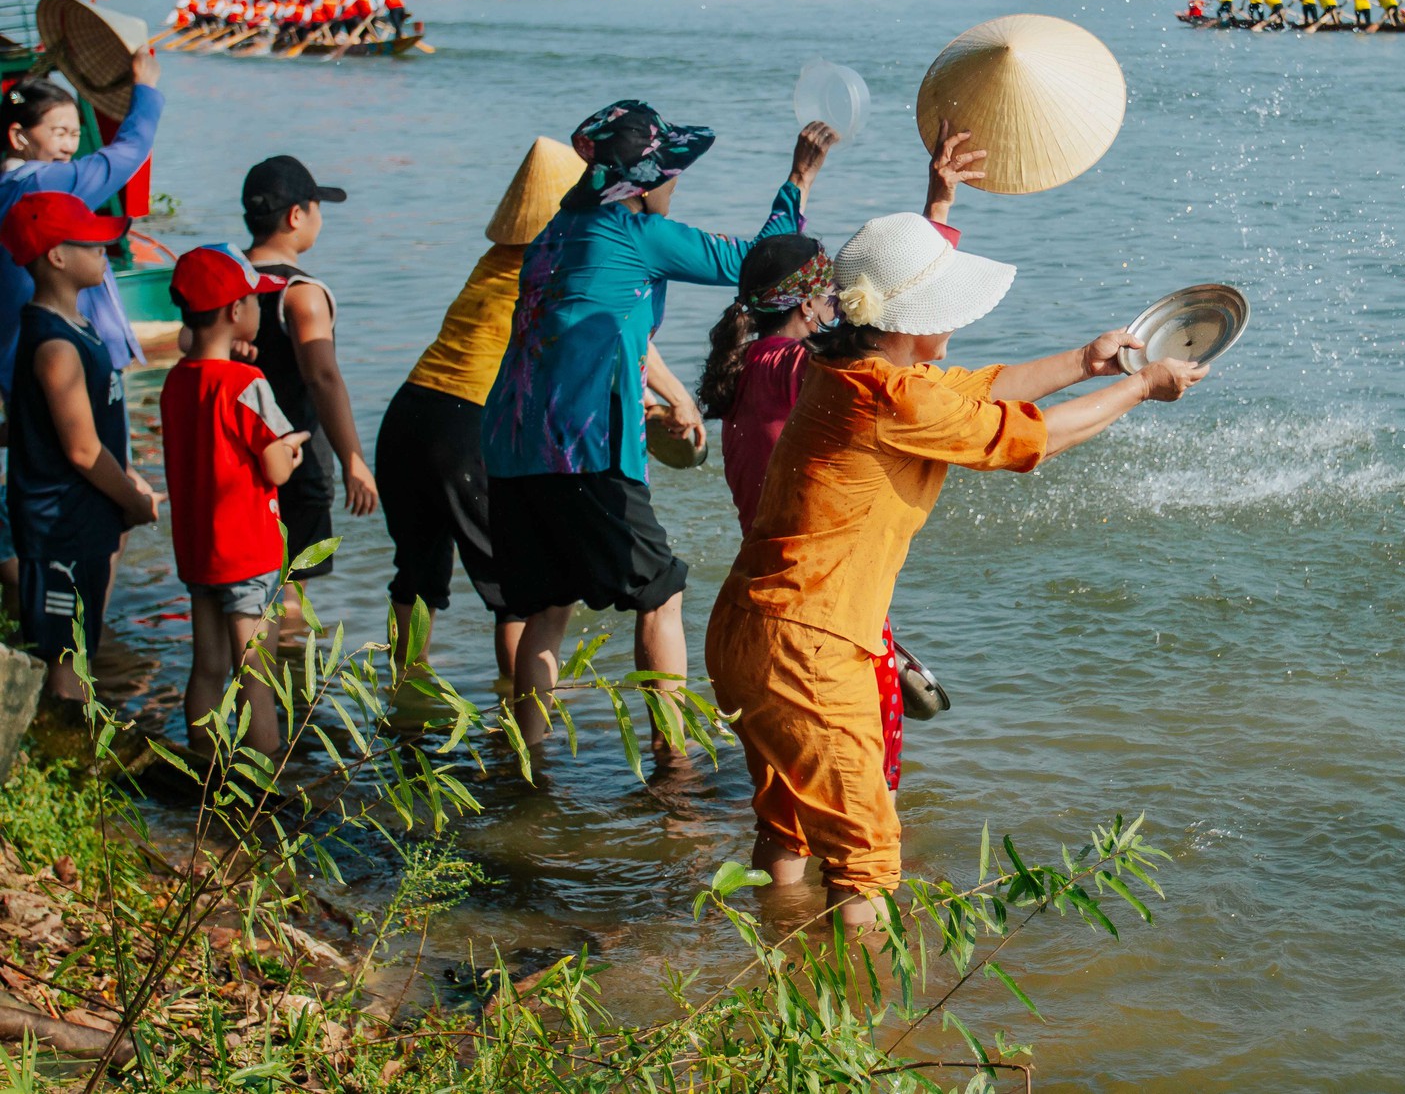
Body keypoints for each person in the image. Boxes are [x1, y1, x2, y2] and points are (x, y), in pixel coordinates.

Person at [705, 210, 1209, 927]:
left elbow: (976, 389)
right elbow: (1029, 436)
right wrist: (1140, 388)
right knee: (867, 861)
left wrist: (1087, 362)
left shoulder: (845, 368)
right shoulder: (890, 395)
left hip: (747, 631)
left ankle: (773, 968)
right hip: (809, 649)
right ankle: (857, 1026)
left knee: (786, 824)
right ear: (915, 320)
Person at [481, 101, 831, 756]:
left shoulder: (555, 233)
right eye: (670, 174)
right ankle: (673, 762)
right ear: (643, 183)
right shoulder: (631, 231)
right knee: (660, 592)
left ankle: (526, 771)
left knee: (547, 609)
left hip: (509, 445)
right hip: (580, 454)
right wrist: (799, 182)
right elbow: (757, 263)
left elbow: (588, 332)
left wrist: (661, 394)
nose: (677, 185)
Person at [698, 127, 982, 797]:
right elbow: (897, 332)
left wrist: (929, 203)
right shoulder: (805, 370)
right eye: (832, 296)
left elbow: (786, 256)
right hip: (822, 617)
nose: (842, 310)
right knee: (866, 796)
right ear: (806, 304)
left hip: (768, 606)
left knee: (788, 806)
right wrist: (936, 215)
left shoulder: (746, 366)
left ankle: (787, 907)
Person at [374, 137, 580, 678]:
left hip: (409, 414)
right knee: (517, 588)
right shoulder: (557, 266)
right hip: (465, 426)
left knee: (415, 575)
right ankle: (521, 721)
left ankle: (404, 697)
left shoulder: (493, 259)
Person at [2, 53, 160, 622]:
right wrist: (145, 93)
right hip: (62, 370)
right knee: (89, 506)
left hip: (31, 366)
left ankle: (60, 636)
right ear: (19, 136)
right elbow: (126, 155)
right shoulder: (40, 187)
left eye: (75, 131)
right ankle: (75, 655)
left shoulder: (15, 192)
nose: (71, 145)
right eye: (59, 131)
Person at [0, 192, 158, 702]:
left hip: (84, 517)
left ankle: (78, 742)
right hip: (59, 523)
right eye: (93, 245)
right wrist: (133, 501)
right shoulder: (55, 345)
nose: (105, 254)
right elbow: (83, 451)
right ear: (57, 256)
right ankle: (66, 752)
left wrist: (127, 483)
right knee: (65, 654)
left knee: (81, 642)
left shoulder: (80, 327)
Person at [160, 244, 307, 759]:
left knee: (207, 667)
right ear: (235, 312)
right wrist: (291, 451)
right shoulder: (249, 382)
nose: (258, 311)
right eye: (253, 302)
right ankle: (263, 789)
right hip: (249, 555)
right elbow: (272, 467)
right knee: (257, 680)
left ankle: (201, 763)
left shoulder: (177, 380)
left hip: (200, 553)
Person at [242, 155, 378, 600]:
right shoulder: (301, 294)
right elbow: (322, 378)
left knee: (243, 581)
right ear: (297, 215)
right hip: (297, 461)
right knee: (290, 590)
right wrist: (353, 459)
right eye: (318, 207)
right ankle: (290, 667)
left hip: (235, 452)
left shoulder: (225, 279)